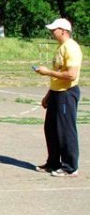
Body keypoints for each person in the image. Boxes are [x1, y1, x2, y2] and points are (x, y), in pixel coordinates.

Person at [34, 18, 82, 177]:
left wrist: (47, 72)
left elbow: (71, 74)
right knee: (51, 129)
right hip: (56, 93)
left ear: (63, 31)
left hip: (67, 93)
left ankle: (70, 167)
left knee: (65, 130)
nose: (51, 32)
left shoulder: (71, 48)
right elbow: (57, 77)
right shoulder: (61, 47)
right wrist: (49, 95)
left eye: (54, 29)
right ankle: (53, 162)